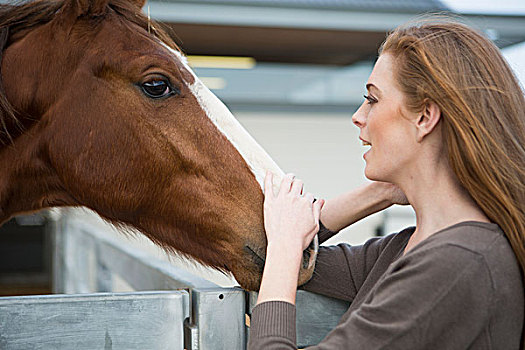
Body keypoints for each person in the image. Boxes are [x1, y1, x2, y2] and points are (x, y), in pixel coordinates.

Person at [248, 18, 525, 349]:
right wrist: (380, 192)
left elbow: (282, 253)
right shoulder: (406, 249)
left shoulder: (456, 263)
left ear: (424, 117)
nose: (358, 115)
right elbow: (261, 255)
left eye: (373, 99)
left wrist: (285, 244)